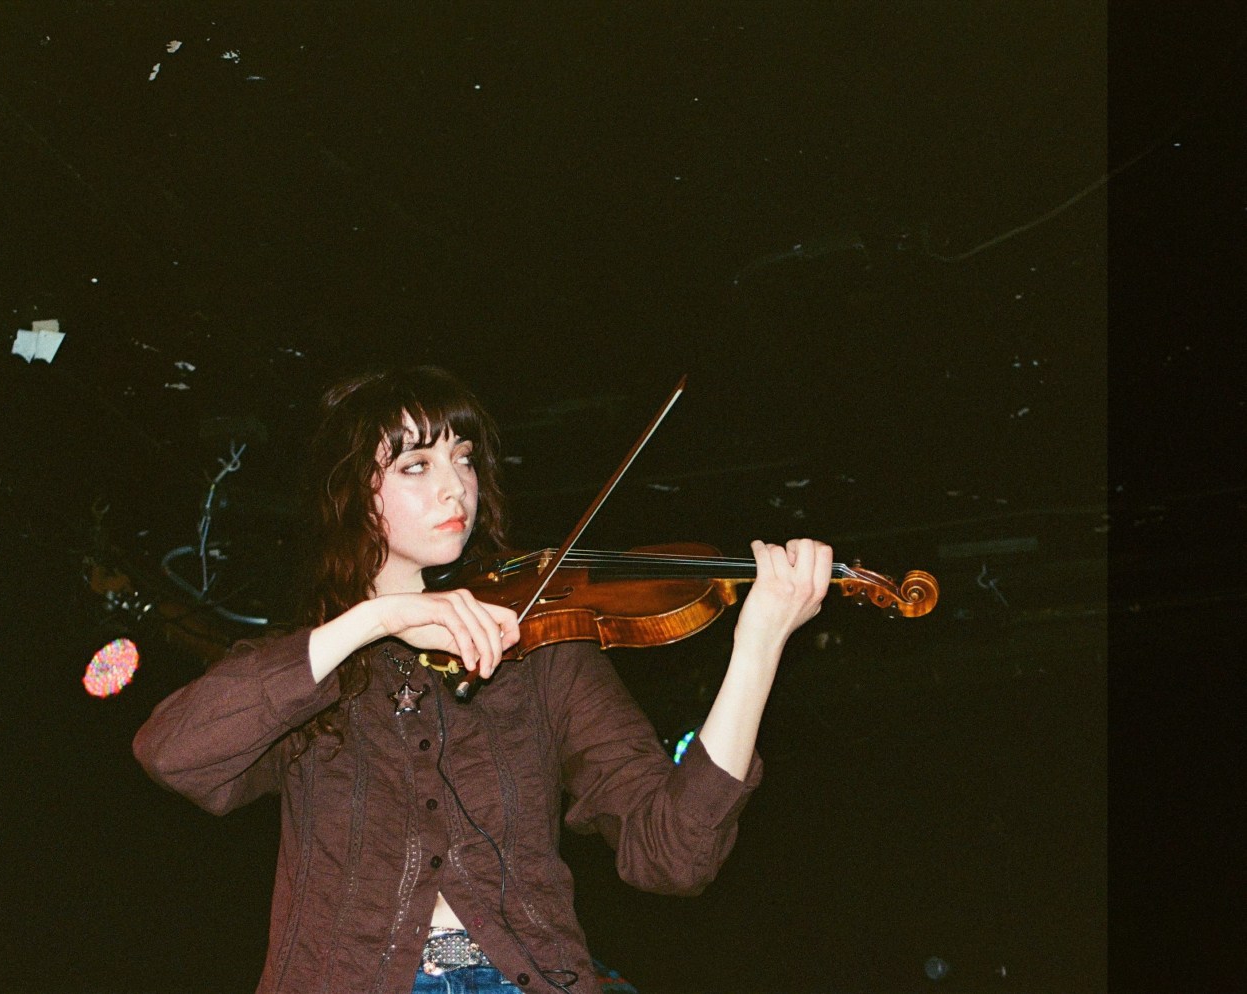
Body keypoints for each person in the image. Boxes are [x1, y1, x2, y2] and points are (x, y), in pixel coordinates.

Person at [133, 366, 832, 994]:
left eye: (463, 458)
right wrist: (374, 620)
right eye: (416, 465)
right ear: (349, 495)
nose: (454, 485)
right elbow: (173, 754)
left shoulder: (542, 648)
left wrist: (758, 648)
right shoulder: (307, 665)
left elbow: (671, 855)